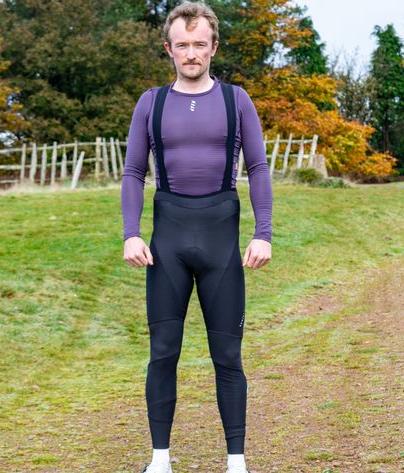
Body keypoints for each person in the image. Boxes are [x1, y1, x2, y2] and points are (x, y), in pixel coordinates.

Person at [120, 1, 272, 472]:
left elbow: (258, 167)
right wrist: (130, 233)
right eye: (182, 45)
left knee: (227, 355)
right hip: (167, 240)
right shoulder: (151, 102)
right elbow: (132, 172)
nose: (191, 53)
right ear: (169, 48)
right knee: (162, 353)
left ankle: (236, 462)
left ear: (213, 47)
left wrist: (262, 233)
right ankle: (160, 460)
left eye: (199, 44)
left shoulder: (236, 100)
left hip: (221, 237)